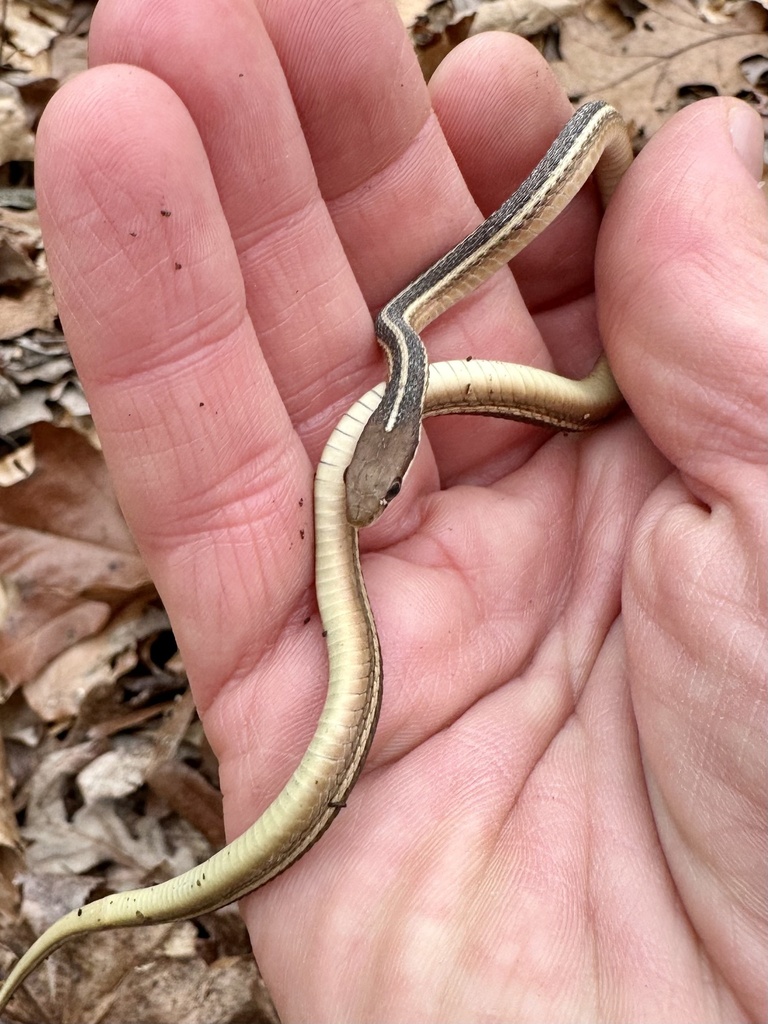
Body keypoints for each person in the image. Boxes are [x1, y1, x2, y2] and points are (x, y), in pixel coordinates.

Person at [34, 0, 766, 1019]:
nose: (370, 509)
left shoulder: (409, 357)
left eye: (371, 491)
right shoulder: (397, 354)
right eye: (370, 493)